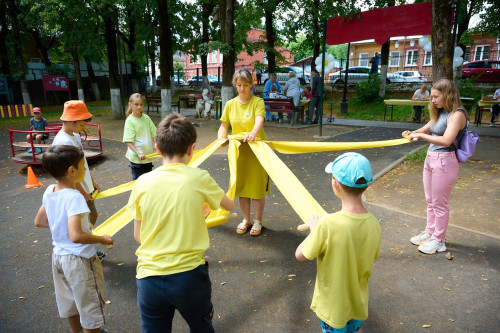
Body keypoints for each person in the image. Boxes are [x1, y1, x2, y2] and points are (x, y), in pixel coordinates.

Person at [127, 113, 234, 332]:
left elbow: (139, 237)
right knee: (201, 327)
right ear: (192, 148)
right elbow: (229, 206)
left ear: (157, 148)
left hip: (149, 279)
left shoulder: (142, 182)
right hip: (189, 278)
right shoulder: (199, 177)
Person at [295, 152, 381, 333]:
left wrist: (314, 230)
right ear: (367, 185)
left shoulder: (327, 224)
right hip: (357, 305)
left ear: (335, 184)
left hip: (334, 309)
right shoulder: (374, 223)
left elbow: (300, 255)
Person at [34, 145, 113, 333]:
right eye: (83, 165)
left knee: (68, 300)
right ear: (72, 171)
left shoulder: (50, 191)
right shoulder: (74, 197)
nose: (86, 169)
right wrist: (102, 238)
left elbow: (40, 221)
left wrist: (61, 226)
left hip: (59, 257)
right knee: (90, 305)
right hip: (80, 260)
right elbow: (76, 236)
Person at [402, 79, 468, 255]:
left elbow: (446, 140)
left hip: (445, 161)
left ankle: (439, 240)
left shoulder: (457, 115)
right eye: (431, 97)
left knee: (439, 203)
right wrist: (412, 133)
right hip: (431, 158)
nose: (432, 100)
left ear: (447, 95)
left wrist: (421, 137)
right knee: (430, 200)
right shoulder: (440, 113)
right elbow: (425, 129)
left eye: (435, 96)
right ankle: (430, 232)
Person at [218, 69, 268, 236]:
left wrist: (253, 132)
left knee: (257, 188)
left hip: (257, 152)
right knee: (242, 188)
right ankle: (246, 219)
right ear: (235, 85)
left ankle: (258, 221)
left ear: (251, 85)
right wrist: (221, 139)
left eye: (245, 85)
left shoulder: (257, 102)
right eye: (239, 85)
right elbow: (224, 125)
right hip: (238, 152)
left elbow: (260, 119)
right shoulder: (230, 104)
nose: (242, 88)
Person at [52, 100, 100, 226]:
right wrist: (83, 192)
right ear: (69, 121)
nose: (84, 128)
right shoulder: (63, 142)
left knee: (92, 216)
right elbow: (68, 174)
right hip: (77, 191)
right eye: (81, 125)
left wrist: (91, 182)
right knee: (83, 222)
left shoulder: (75, 136)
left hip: (84, 187)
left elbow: (82, 163)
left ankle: (87, 239)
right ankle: (84, 242)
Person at [123, 93, 157, 180]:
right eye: (136, 104)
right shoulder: (130, 121)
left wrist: (157, 145)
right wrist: (138, 153)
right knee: (138, 184)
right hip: (137, 160)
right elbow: (128, 141)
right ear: (130, 105)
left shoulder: (146, 118)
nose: (139, 107)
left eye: (141, 104)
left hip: (148, 156)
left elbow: (154, 133)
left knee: (147, 183)